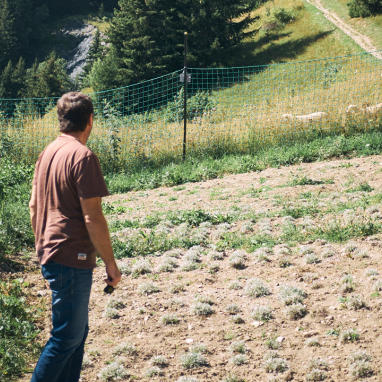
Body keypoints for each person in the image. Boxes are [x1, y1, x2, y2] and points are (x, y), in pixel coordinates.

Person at [29, 92, 121, 382]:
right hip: (71, 257)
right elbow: (92, 216)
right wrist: (111, 263)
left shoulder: (48, 151)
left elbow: (33, 205)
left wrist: (44, 245)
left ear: (61, 120)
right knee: (66, 338)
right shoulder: (82, 156)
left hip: (52, 252)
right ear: (90, 121)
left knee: (77, 334)